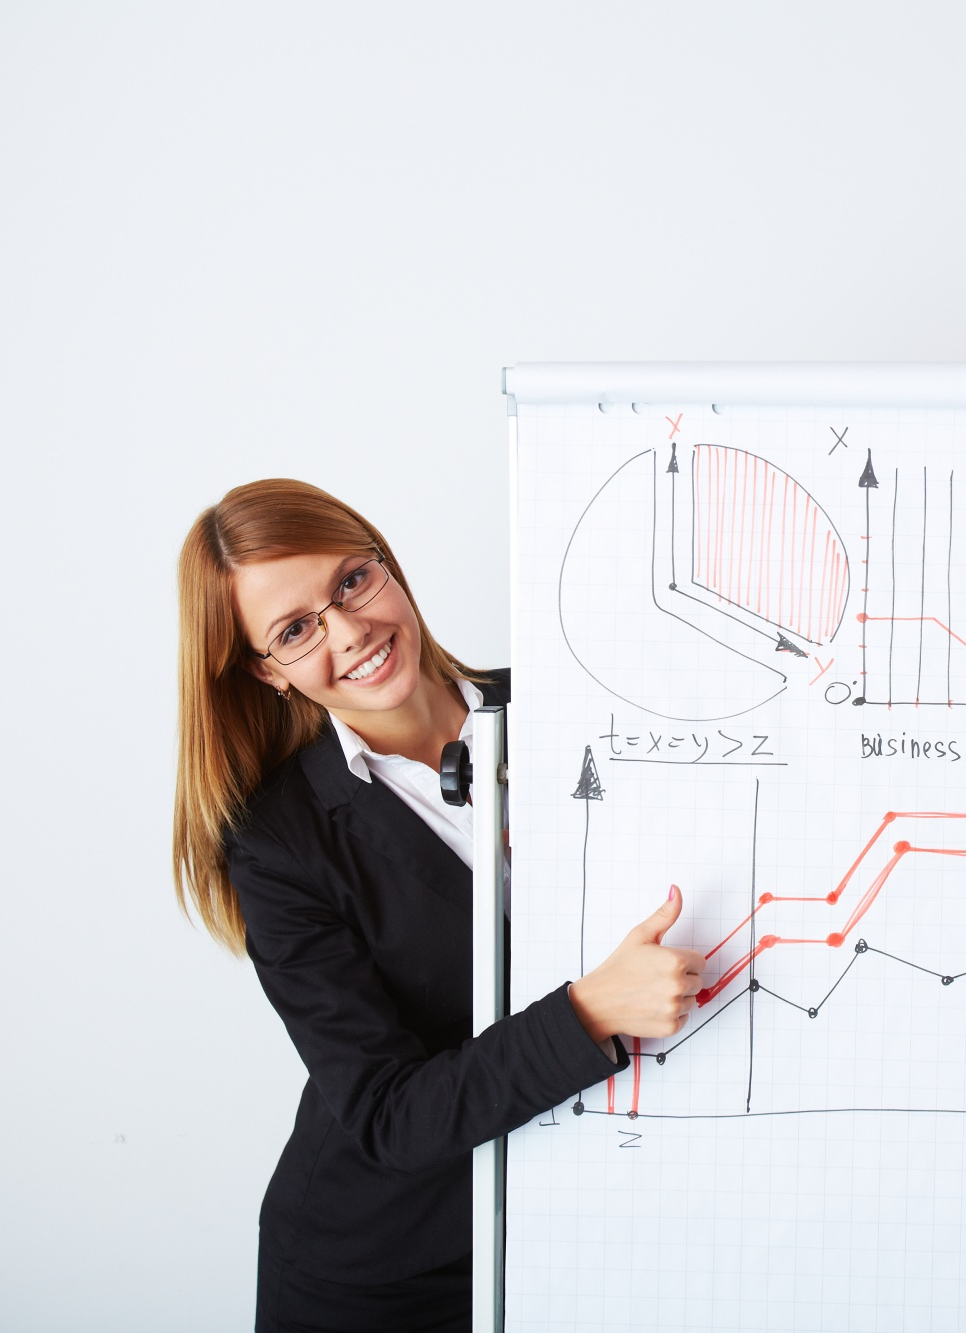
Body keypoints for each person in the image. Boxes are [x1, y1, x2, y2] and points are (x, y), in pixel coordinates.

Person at [173, 479, 703, 1332]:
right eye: (296, 629)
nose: (350, 632)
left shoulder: (573, 705)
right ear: (267, 671)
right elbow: (385, 1111)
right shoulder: (279, 843)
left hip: (593, 1220)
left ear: (387, 563)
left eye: (351, 581)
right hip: (391, 1272)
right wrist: (588, 1011)